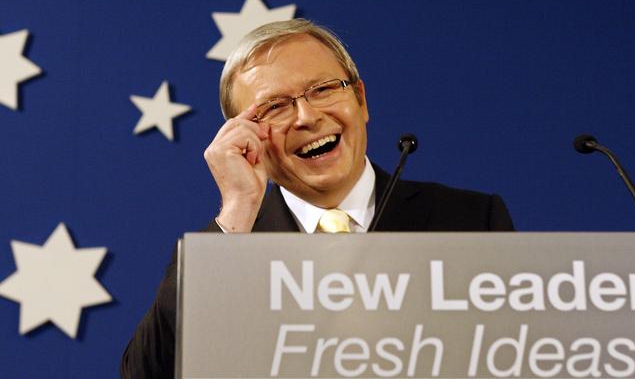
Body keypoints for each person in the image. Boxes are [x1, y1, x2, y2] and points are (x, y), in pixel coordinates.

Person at [120, 19, 514, 378]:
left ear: (361, 100)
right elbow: (146, 374)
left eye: (323, 90)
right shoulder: (225, 249)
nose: (306, 117)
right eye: (274, 107)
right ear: (242, 137)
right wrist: (237, 210)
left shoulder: (471, 219)